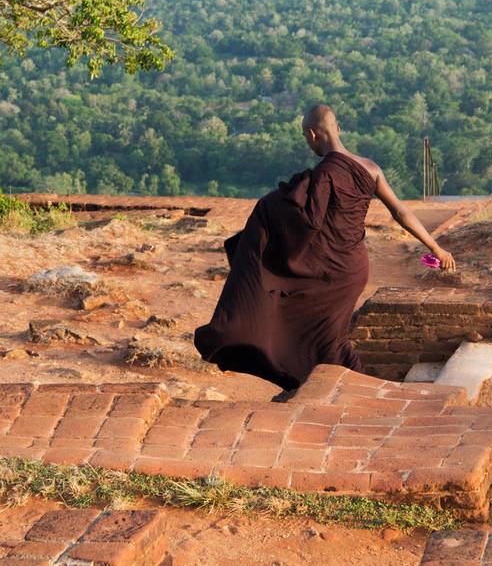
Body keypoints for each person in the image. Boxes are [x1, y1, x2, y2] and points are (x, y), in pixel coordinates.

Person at [193, 104, 456, 398]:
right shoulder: (370, 168)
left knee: (322, 335)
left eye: (307, 138)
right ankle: (326, 389)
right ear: (339, 129)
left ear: (312, 134)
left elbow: (304, 221)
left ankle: (354, 393)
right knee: (330, 335)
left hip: (326, 272)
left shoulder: (323, 174)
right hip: (354, 268)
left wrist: (265, 214)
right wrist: (436, 247)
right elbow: (401, 211)